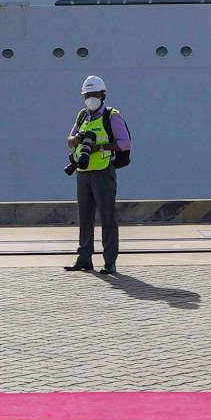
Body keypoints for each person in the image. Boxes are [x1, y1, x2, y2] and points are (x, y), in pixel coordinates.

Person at [62, 75, 129, 276]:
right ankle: (84, 259)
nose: (90, 98)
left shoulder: (112, 116)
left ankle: (110, 262)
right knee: (85, 217)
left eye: (94, 94)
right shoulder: (82, 115)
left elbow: (124, 143)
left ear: (103, 94)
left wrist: (98, 146)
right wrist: (76, 140)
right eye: (87, 95)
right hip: (82, 172)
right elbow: (70, 138)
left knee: (107, 217)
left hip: (102, 171)